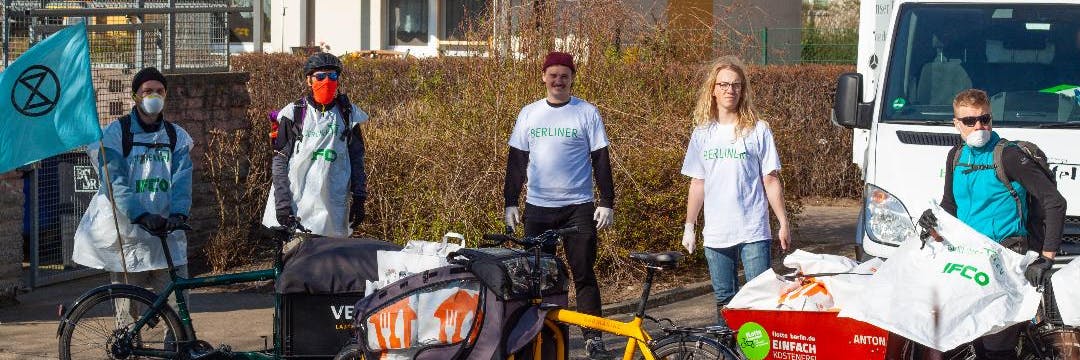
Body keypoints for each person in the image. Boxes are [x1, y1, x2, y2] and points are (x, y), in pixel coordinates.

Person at [919, 88, 1066, 360]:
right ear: (956, 124)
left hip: (1005, 260)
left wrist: (1046, 258)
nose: (979, 127)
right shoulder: (956, 156)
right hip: (968, 261)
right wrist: (932, 221)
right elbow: (950, 205)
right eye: (970, 121)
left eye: (984, 119)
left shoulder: (1008, 156)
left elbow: (1055, 202)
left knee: (997, 348)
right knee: (968, 340)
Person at [502, 51, 616, 359]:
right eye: (553, 75)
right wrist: (510, 201)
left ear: (572, 78)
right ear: (543, 77)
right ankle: (539, 339)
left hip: (578, 208)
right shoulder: (529, 114)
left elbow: (601, 159)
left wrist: (607, 201)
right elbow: (517, 160)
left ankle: (593, 339)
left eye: (564, 75)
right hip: (538, 209)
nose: (558, 80)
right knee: (537, 278)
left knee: (584, 274)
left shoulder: (586, 112)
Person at [679, 56, 791, 329]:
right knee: (725, 301)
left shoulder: (758, 130)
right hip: (717, 234)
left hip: (753, 231)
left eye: (736, 85)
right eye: (724, 84)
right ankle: (727, 349)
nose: (730, 90)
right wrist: (689, 226)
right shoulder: (702, 134)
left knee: (759, 300)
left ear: (743, 90)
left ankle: (757, 351)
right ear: (713, 90)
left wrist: (783, 222)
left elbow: (770, 180)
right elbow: (697, 183)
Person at [72, 66, 195, 305]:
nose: (154, 96)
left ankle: (174, 334)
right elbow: (114, 181)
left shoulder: (176, 136)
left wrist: (178, 214)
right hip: (127, 237)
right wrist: (141, 215)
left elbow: (182, 180)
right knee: (129, 313)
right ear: (135, 95)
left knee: (178, 308)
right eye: (148, 91)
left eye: (160, 91)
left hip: (167, 235)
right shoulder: (116, 133)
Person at [261, 52, 369, 237]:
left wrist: (359, 197)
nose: (326, 81)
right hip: (297, 204)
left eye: (332, 76)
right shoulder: (294, 113)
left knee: (331, 253)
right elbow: (280, 160)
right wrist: (282, 202)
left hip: (332, 205)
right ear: (309, 81)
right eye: (320, 76)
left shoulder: (348, 114)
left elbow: (357, 158)